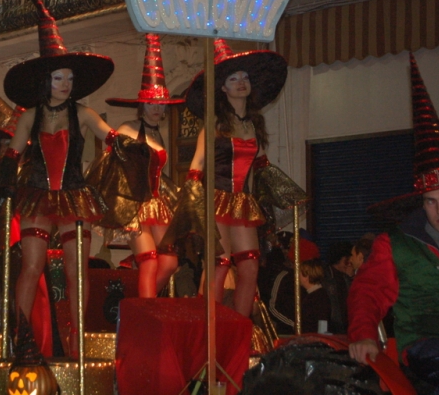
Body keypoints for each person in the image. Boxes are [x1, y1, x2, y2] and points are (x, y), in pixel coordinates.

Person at [0, 0, 115, 357]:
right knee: (31, 266)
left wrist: (126, 144)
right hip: (38, 196)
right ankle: (20, 337)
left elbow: (110, 138)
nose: (66, 84)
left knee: (79, 271)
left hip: (76, 197)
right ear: (46, 81)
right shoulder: (30, 116)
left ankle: (79, 340)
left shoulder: (84, 114)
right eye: (59, 78)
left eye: (69, 79)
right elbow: (14, 154)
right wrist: (8, 178)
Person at [348, 54, 439, 395]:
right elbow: (367, 291)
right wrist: (363, 335)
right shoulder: (396, 244)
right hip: (425, 346)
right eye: (430, 201)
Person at [163, 39, 294, 318]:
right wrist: (193, 204)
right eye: (233, 78)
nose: (241, 82)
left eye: (245, 77)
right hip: (214, 198)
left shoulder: (254, 125)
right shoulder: (213, 122)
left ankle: (239, 330)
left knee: (250, 266)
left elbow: (253, 171)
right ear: (222, 87)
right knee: (219, 264)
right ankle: (207, 329)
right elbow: (197, 163)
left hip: (242, 202)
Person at [98, 34, 183, 297]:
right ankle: (144, 315)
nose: (156, 109)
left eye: (160, 104)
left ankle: (139, 306)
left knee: (169, 262)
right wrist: (123, 210)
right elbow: (110, 168)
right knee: (148, 261)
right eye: (151, 103)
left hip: (156, 205)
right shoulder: (127, 130)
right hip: (133, 206)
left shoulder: (157, 134)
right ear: (141, 105)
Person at [320, 241, 353, 334]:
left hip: (346, 327)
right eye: (346, 260)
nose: (349, 263)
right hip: (332, 328)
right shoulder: (325, 277)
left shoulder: (346, 277)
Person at [299, 259, 331, 334]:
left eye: (299, 273)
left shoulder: (318, 297)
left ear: (306, 276)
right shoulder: (314, 295)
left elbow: (322, 323)